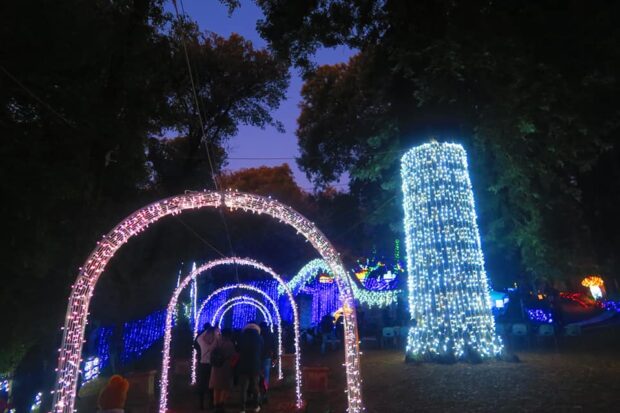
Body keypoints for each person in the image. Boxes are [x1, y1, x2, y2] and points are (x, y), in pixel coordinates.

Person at [238, 323, 263, 413]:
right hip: (255, 366)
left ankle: (242, 408)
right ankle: (256, 406)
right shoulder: (259, 338)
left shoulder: (242, 338)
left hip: (243, 365)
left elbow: (238, 349)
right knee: (255, 386)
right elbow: (262, 351)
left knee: (243, 388)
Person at [209, 329, 237, 413]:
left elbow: (210, 350)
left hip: (216, 366)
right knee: (224, 387)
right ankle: (221, 405)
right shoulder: (230, 344)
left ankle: (215, 404)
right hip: (225, 367)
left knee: (216, 387)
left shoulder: (216, 342)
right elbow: (233, 355)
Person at [196, 325, 219, 409]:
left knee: (202, 384)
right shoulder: (215, 342)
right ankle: (211, 403)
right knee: (211, 384)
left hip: (202, 365)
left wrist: (207, 330)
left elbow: (199, 338)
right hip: (211, 365)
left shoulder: (202, 342)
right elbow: (218, 337)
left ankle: (201, 404)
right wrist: (214, 331)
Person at [259, 321, 275, 404]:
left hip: (258, 357)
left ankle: (257, 394)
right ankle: (264, 393)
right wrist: (274, 357)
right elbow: (274, 346)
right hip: (267, 357)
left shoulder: (258, 334)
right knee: (266, 376)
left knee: (258, 375)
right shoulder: (271, 334)